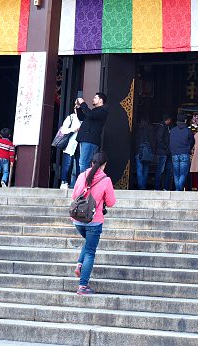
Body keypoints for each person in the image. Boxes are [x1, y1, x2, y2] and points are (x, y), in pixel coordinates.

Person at [70, 150, 116, 295]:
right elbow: (111, 202)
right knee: (90, 251)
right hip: (94, 221)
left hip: (78, 220)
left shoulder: (81, 175)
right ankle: (83, 286)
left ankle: (79, 264)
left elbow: (74, 196)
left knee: (88, 244)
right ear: (104, 165)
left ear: (91, 163)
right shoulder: (105, 180)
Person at [75, 93, 108, 174]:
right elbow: (82, 117)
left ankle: (84, 184)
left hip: (90, 140)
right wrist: (79, 108)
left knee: (83, 163)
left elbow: (90, 114)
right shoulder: (94, 111)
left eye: (95, 97)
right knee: (84, 163)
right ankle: (86, 183)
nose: (93, 99)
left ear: (101, 100)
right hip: (86, 139)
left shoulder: (103, 110)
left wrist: (83, 103)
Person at [57, 109, 81, 189]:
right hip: (70, 144)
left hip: (80, 144)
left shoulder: (84, 118)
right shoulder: (71, 117)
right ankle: (64, 182)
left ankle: (78, 183)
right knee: (67, 164)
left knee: (79, 165)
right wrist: (73, 129)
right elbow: (63, 130)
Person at [169, 116, 194, 191]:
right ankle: (179, 189)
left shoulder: (172, 130)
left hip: (174, 153)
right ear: (185, 120)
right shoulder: (188, 131)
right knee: (183, 173)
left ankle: (178, 189)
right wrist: (188, 148)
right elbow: (192, 141)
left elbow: (170, 141)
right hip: (185, 153)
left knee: (176, 174)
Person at [133, 118, 155, 190]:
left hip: (138, 151)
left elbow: (134, 140)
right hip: (147, 151)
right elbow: (152, 141)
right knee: (146, 169)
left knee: (139, 169)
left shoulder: (137, 129)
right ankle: (143, 185)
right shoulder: (150, 129)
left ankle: (140, 185)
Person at [153, 116, 172, 190]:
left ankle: (163, 187)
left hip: (164, 152)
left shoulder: (163, 126)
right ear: (168, 119)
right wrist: (166, 148)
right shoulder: (162, 127)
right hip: (162, 152)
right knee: (160, 170)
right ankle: (157, 187)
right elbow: (159, 139)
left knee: (164, 170)